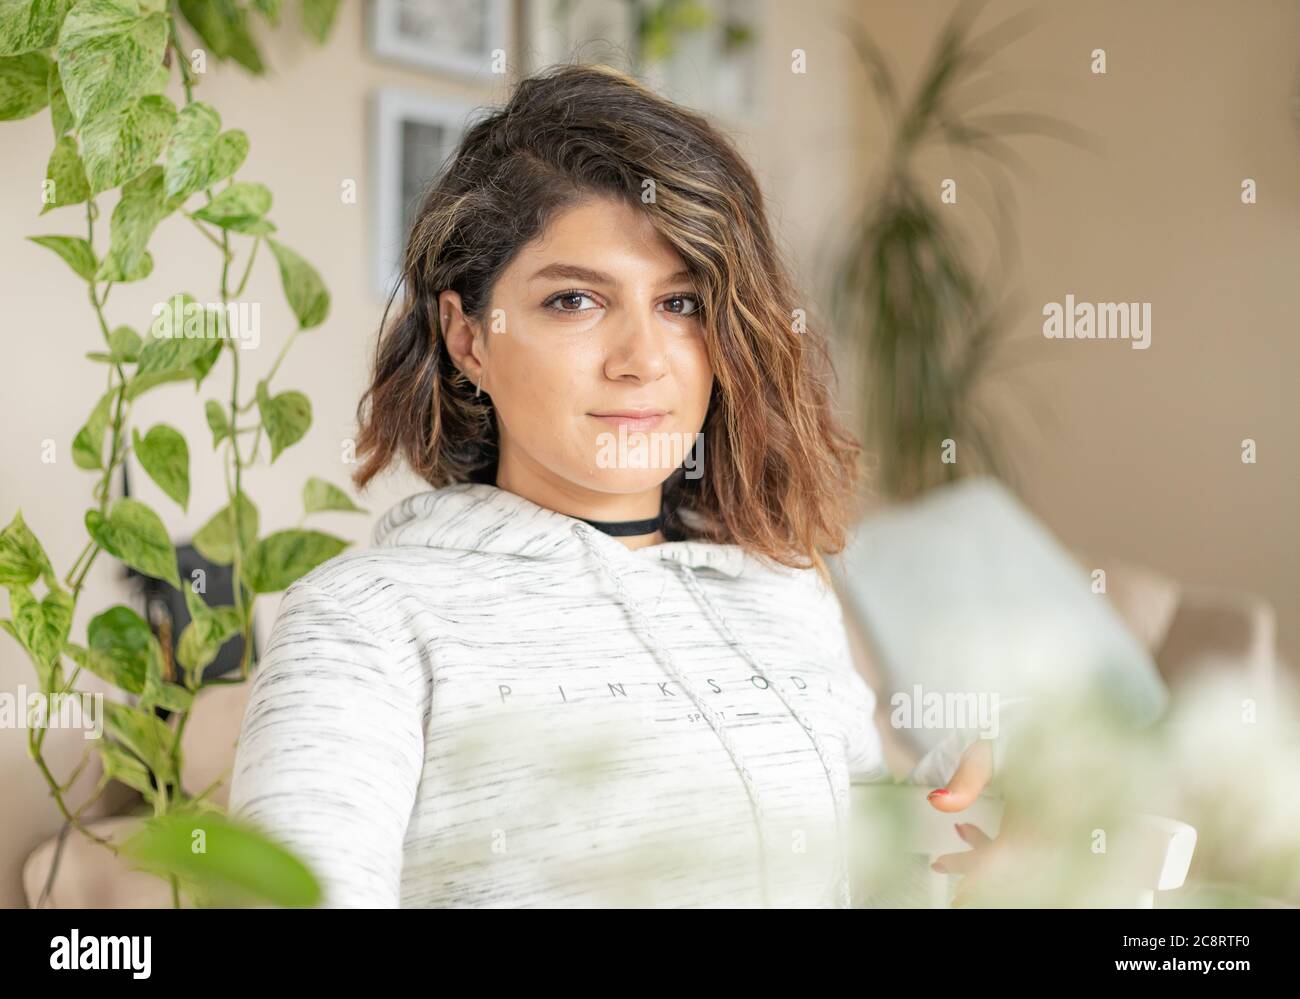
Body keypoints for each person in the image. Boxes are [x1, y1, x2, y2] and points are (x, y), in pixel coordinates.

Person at [227, 63, 1002, 908]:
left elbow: (847, 851)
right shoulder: (363, 621)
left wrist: (965, 806)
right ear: (467, 337)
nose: (641, 359)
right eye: (574, 301)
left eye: (681, 305)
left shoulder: (780, 587)